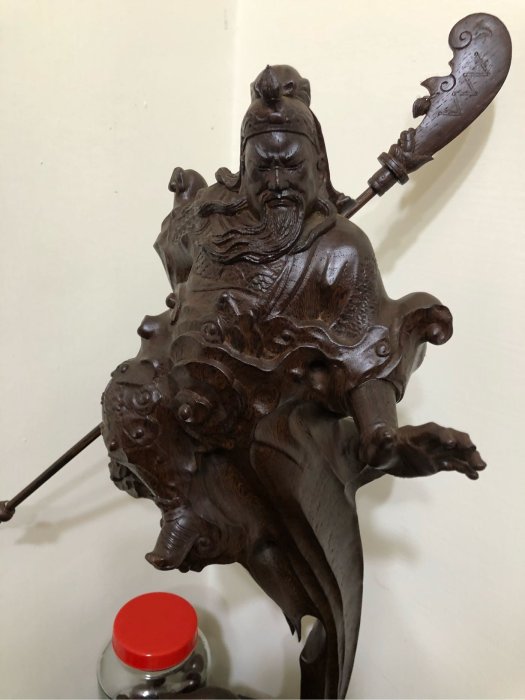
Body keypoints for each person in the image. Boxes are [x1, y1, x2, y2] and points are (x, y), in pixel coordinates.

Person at [102, 66, 484, 699]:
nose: (278, 180)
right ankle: (181, 508)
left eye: (292, 165)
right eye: (264, 166)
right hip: (187, 408)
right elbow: (179, 266)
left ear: (317, 166)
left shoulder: (340, 250)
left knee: (309, 564)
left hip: (270, 420)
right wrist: (185, 202)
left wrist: (382, 434)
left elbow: (364, 352)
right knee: (126, 397)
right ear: (245, 167)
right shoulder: (216, 227)